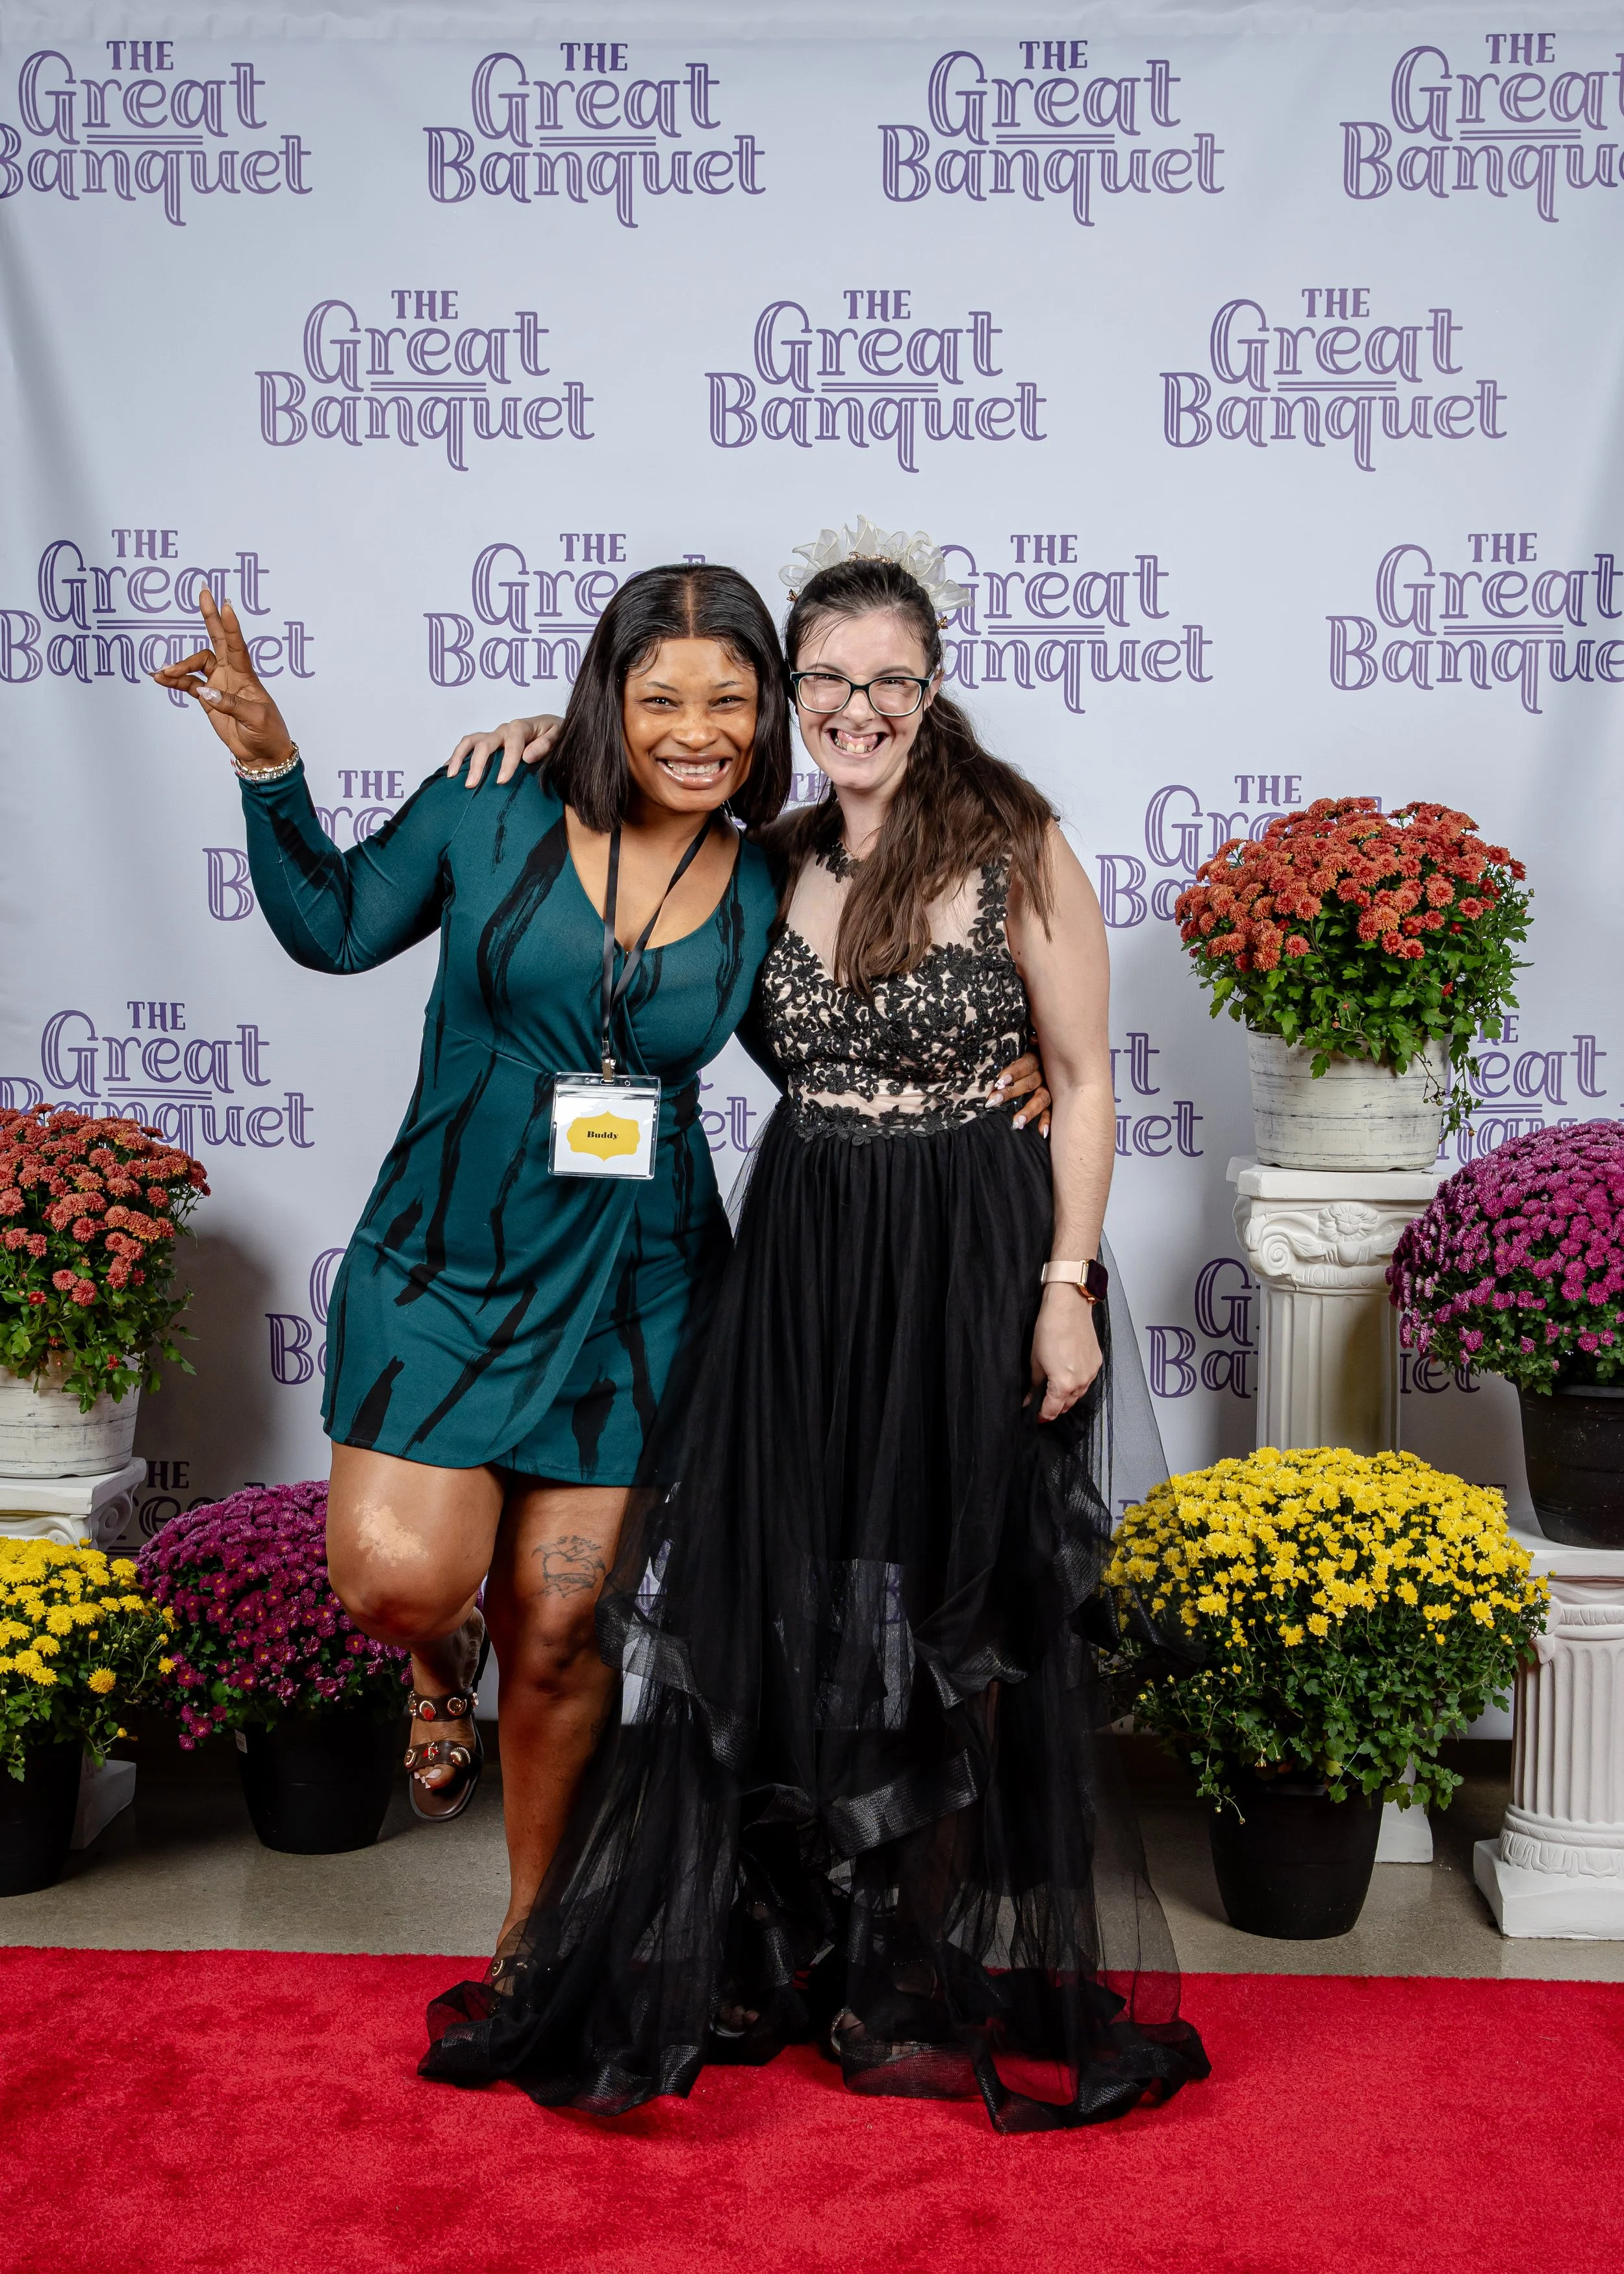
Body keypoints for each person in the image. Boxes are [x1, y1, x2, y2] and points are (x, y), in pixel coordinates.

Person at [421, 529, 1208, 2131]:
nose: (857, 707)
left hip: (972, 1259)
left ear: (931, 688)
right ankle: (791, 1927)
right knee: (784, 1597)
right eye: (828, 681)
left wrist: (1062, 1285)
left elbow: (1086, 1075)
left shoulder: (1013, 838)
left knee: (952, 1602)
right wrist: (529, 732)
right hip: (800, 1255)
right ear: (794, 690)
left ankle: (903, 1963)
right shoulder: (766, 852)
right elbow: (631, 790)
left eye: (888, 681)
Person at [151, 565, 1048, 1953]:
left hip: (638, 1291)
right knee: (398, 1578)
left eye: (731, 704)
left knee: (565, 1634)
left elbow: (827, 1045)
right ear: (605, 698)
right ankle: (436, 1662)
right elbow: (332, 928)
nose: (696, 732)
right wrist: (273, 770)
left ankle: (531, 1937)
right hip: (446, 1266)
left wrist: (1002, 1083)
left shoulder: (764, 876)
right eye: (659, 700)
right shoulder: (489, 801)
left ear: (767, 720)